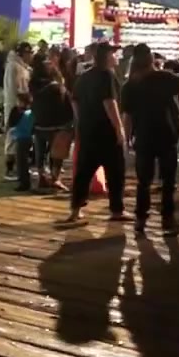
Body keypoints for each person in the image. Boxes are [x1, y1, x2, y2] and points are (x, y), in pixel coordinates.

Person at [120, 44, 179, 234]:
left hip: (144, 136)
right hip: (166, 134)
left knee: (144, 181)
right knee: (168, 180)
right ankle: (168, 218)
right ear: (150, 59)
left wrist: (127, 139)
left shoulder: (129, 85)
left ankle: (140, 219)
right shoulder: (163, 78)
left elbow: (128, 116)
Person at [67, 42, 131, 223]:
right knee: (115, 172)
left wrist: (82, 120)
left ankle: (75, 210)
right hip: (106, 133)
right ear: (107, 56)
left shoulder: (84, 76)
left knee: (83, 172)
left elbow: (74, 101)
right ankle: (117, 210)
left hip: (88, 132)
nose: (116, 57)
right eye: (114, 54)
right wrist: (119, 129)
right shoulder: (107, 76)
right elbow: (109, 103)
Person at [30, 54, 73, 192]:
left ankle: (42, 177)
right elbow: (66, 103)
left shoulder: (33, 85)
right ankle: (55, 178)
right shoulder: (57, 87)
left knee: (40, 152)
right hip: (57, 125)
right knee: (57, 153)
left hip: (39, 124)